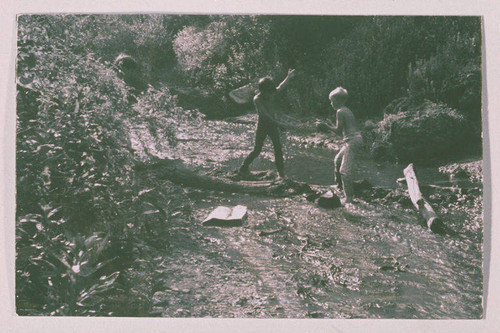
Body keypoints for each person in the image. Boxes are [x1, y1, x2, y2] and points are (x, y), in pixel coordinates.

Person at [238, 69, 296, 180]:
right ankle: (243, 168)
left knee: (278, 148)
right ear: (262, 91)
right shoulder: (257, 99)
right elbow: (265, 115)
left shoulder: (271, 93)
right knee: (257, 149)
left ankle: (281, 174)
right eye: (268, 92)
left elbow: (280, 87)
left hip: (273, 125)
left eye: (271, 92)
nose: (270, 94)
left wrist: (288, 77)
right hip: (262, 126)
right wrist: (279, 124)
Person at [322, 87, 363, 204]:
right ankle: (339, 187)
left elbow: (338, 131)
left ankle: (349, 197)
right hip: (352, 140)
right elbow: (341, 129)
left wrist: (325, 126)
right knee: (337, 161)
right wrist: (329, 125)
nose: (331, 103)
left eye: (332, 101)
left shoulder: (340, 111)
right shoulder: (346, 110)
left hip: (352, 141)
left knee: (344, 171)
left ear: (338, 101)